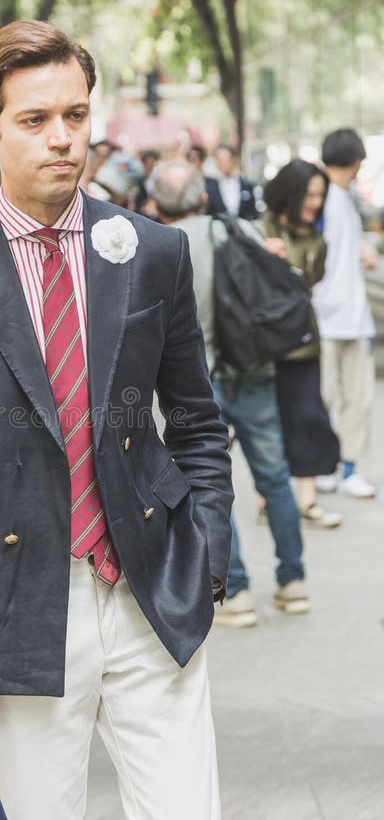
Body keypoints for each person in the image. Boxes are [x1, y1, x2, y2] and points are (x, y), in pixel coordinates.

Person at [0, 20, 233, 820]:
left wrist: (207, 560)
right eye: (36, 119)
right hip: (16, 612)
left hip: (153, 595)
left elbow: (195, 420)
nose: (62, 139)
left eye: (75, 116)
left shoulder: (152, 252)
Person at [151, 158, 308, 628]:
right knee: (275, 476)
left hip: (200, 382)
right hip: (255, 367)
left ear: (157, 204)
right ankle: (293, 582)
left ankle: (235, 591)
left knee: (210, 479)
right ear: (204, 196)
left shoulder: (163, 247)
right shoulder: (238, 229)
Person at [261, 160, 341, 529]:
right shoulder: (261, 230)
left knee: (308, 416)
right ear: (290, 193)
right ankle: (269, 495)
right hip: (263, 345)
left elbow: (314, 282)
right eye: (309, 194)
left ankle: (307, 499)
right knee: (270, 420)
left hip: (304, 344)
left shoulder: (316, 239)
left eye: (320, 196)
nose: (315, 202)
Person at [312, 128, 379, 498]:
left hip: (346, 316)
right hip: (329, 316)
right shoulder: (321, 198)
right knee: (340, 397)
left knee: (347, 396)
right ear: (356, 162)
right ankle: (335, 467)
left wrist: (366, 247)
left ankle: (339, 468)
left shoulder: (335, 199)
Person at [205, 144, 258, 220]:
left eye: (227, 159)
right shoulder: (209, 186)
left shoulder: (246, 185)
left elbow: (253, 212)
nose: (224, 162)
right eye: (221, 159)